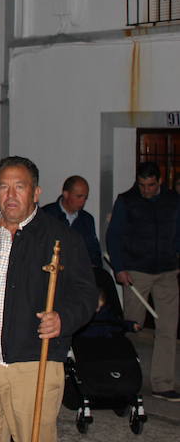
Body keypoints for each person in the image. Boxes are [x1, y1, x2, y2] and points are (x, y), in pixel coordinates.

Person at [0, 156, 97, 442]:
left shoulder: (61, 238)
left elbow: (87, 294)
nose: (10, 195)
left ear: (35, 193)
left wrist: (63, 319)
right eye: (3, 187)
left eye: (19, 187)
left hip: (33, 365)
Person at [106, 161, 180, 402]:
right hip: (136, 271)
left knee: (168, 329)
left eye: (150, 185)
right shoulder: (127, 200)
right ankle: (129, 378)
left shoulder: (173, 200)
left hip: (167, 271)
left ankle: (162, 384)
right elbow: (114, 236)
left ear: (160, 182)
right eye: (141, 185)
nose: (145, 190)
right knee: (133, 327)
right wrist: (119, 268)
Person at [42, 175, 102, 267]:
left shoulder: (87, 219)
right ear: (66, 194)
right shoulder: (46, 215)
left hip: (78, 274)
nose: (82, 201)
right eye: (79, 196)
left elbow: (93, 250)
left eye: (85, 198)